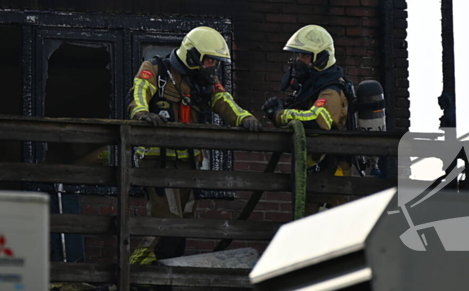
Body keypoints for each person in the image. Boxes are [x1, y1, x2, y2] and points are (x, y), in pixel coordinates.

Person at [126, 26, 260, 265]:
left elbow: (223, 100)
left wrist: (244, 118)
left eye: (215, 62)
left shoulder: (205, 80)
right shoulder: (155, 69)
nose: (212, 66)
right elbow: (139, 93)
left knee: (184, 224)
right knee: (166, 224)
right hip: (159, 163)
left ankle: (165, 277)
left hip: (190, 165)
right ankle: (132, 272)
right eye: (208, 60)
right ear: (191, 54)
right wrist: (142, 114)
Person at [262, 24, 353, 175]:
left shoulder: (331, 91)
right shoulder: (313, 86)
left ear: (321, 58)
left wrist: (281, 114)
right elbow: (302, 114)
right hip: (313, 168)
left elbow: (317, 119)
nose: (299, 60)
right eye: (298, 55)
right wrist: (280, 108)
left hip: (331, 173)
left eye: (304, 56)